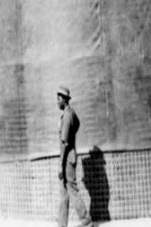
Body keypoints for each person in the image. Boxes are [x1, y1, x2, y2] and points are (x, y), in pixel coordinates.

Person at [57, 86, 92, 227]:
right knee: (64, 193)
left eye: (59, 98)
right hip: (70, 157)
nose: (57, 101)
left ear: (64, 100)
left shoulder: (66, 116)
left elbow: (64, 143)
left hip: (67, 159)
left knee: (71, 189)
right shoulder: (71, 113)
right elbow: (77, 124)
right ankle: (61, 224)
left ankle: (86, 219)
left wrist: (60, 165)